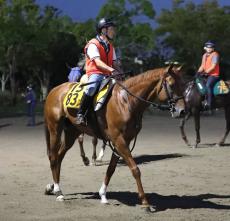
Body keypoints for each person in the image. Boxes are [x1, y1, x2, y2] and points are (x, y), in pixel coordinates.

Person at [76, 17, 122, 125]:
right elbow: (97, 62)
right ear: (103, 30)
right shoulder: (93, 44)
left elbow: (115, 63)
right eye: (111, 29)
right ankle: (80, 114)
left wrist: (121, 72)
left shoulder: (111, 47)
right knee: (92, 88)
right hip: (95, 73)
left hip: (108, 74)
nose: (114, 31)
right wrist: (112, 70)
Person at [197, 41, 220, 110]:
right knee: (198, 83)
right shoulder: (204, 55)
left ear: (213, 49)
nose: (209, 49)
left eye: (211, 47)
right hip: (206, 74)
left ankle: (210, 103)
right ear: (205, 48)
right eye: (208, 47)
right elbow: (202, 66)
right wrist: (198, 72)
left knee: (208, 85)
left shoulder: (215, 55)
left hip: (214, 75)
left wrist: (206, 72)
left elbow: (213, 66)